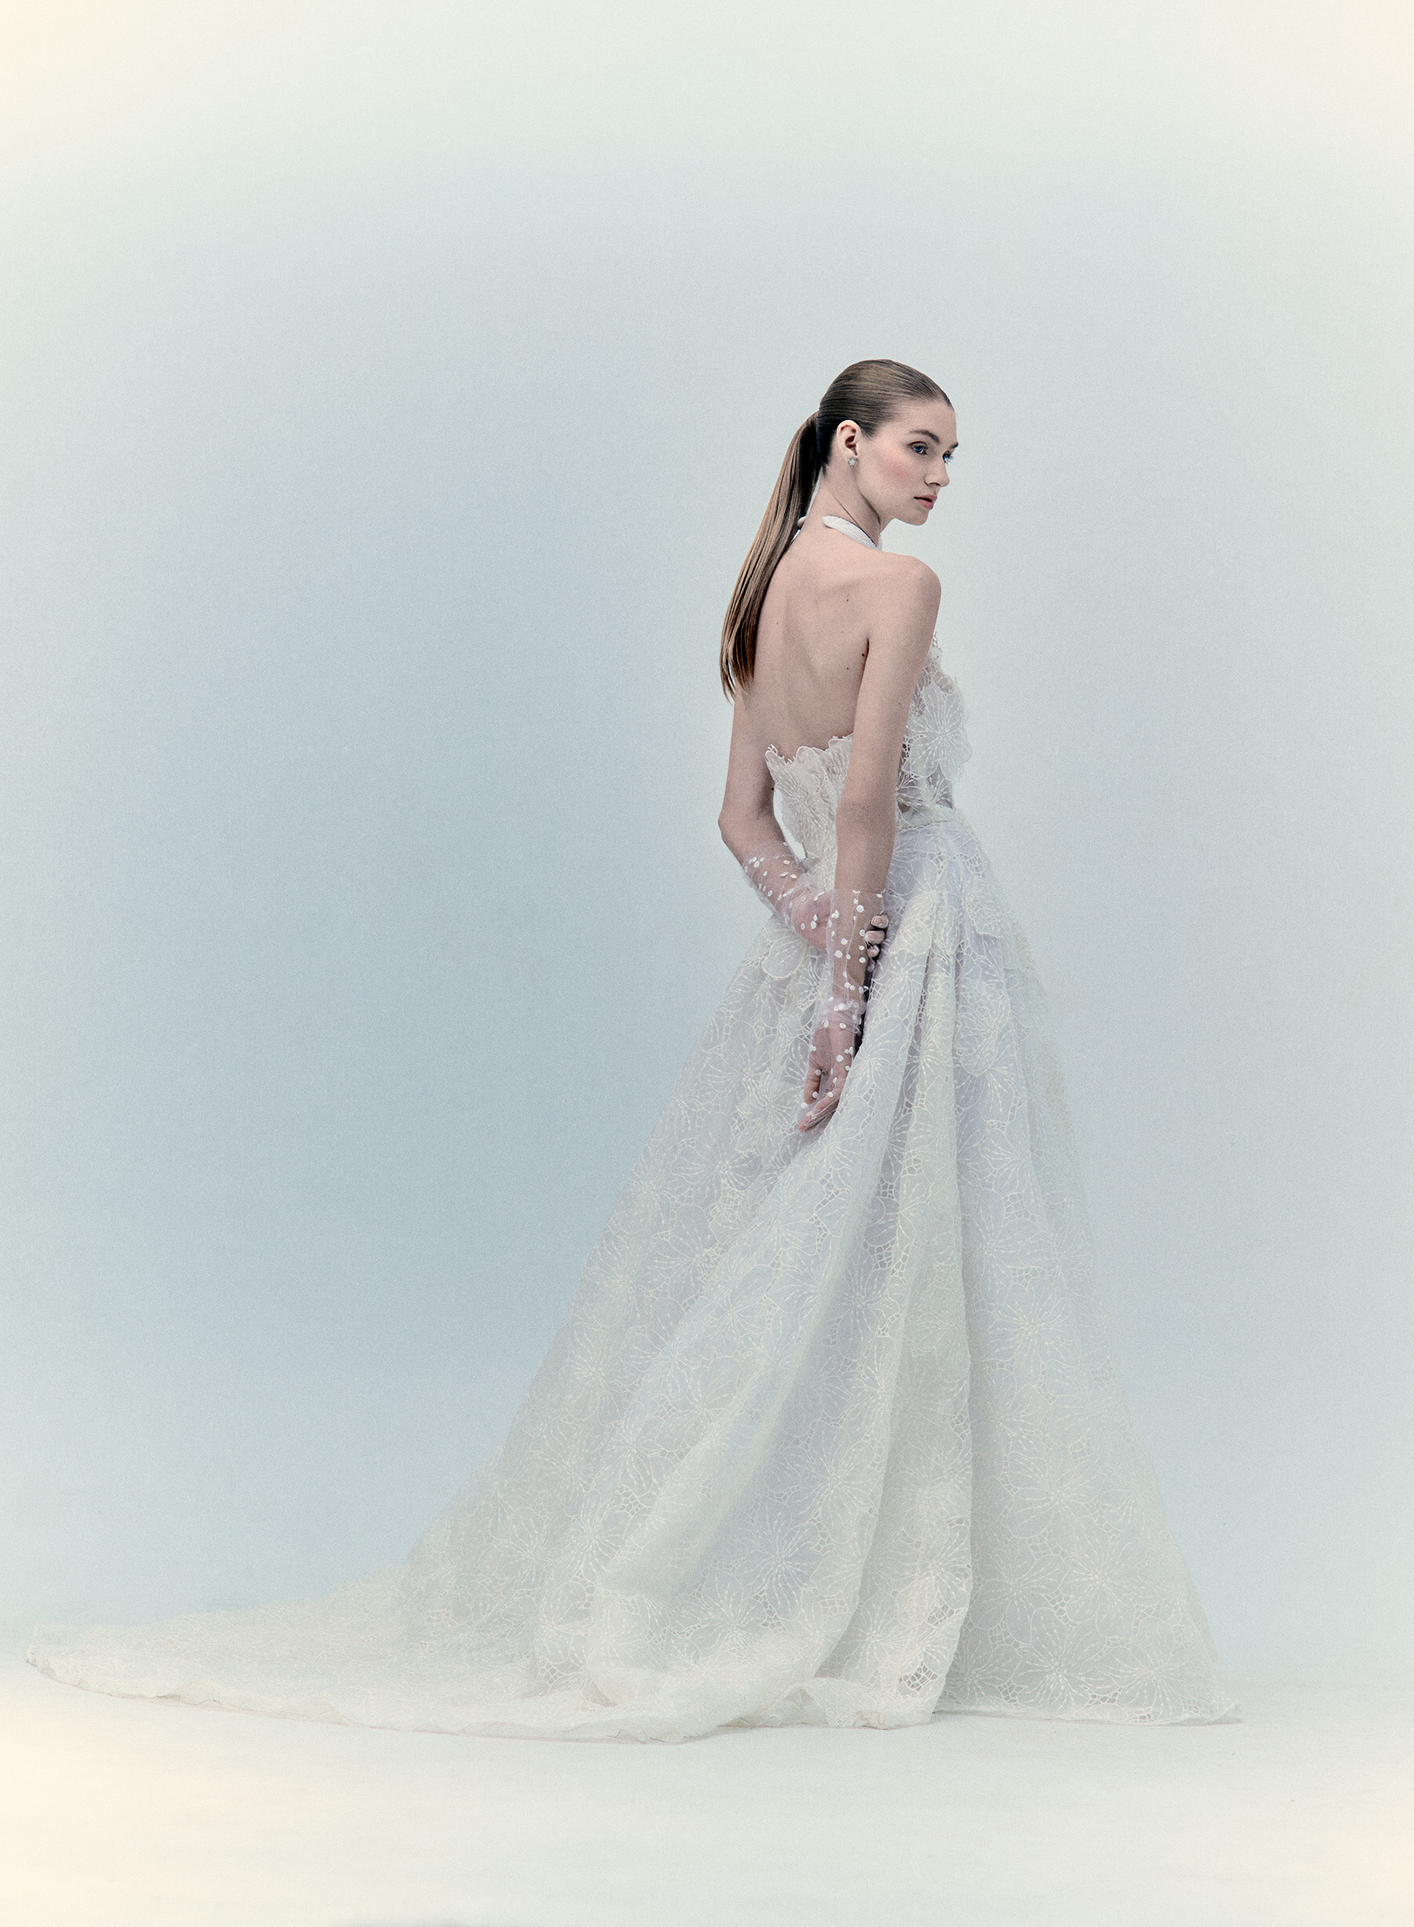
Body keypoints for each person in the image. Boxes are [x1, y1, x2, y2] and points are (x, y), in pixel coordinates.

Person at [30, 359, 1236, 1740]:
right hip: (913, 946)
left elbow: (742, 822)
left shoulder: (760, 593)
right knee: (922, 1252)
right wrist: (850, 991)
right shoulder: (899, 589)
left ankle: (857, 1565)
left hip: (833, 948)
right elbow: (862, 808)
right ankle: (869, 1578)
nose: (942, 477)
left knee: (842, 1263)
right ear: (850, 443)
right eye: (922, 447)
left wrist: (812, 940)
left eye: (953, 455)